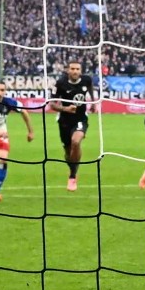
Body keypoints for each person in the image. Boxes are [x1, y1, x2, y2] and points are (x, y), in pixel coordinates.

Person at [49, 61, 95, 192]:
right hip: (64, 121)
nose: (75, 71)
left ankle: (72, 176)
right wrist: (66, 108)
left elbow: (90, 87)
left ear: (81, 71)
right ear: (68, 70)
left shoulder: (86, 80)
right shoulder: (60, 83)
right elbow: (52, 105)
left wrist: (92, 102)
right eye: (72, 69)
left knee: (76, 141)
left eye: (77, 69)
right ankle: (72, 170)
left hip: (81, 119)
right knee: (68, 152)